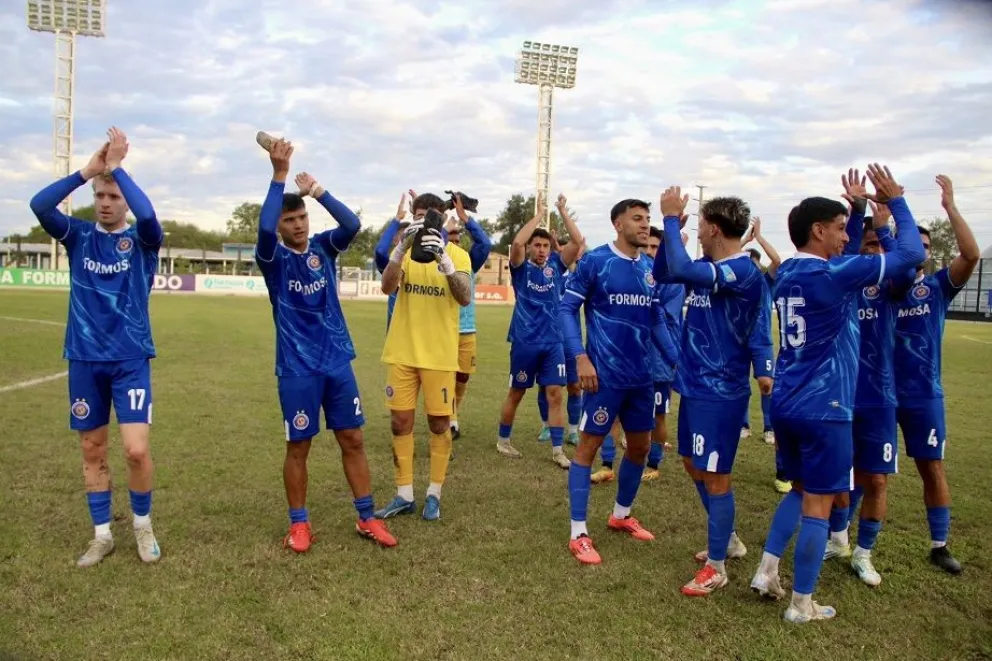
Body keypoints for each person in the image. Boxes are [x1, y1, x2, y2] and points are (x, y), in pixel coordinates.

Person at [749, 164, 924, 624]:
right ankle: (802, 604)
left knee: (802, 489)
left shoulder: (786, 273)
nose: (847, 238)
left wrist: (858, 207)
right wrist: (897, 201)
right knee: (819, 505)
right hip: (825, 410)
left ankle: (767, 571)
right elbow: (908, 256)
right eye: (842, 230)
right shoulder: (836, 274)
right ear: (818, 230)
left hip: (786, 404)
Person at [29, 127, 163, 567]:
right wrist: (88, 171)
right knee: (92, 450)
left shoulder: (142, 242)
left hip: (129, 359)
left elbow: (150, 218)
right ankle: (102, 534)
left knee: (136, 449)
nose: (106, 202)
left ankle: (142, 526)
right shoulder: (78, 236)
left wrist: (119, 169)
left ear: (123, 199)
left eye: (113, 196)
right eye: (101, 196)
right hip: (84, 358)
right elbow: (39, 205)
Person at [255, 138, 396, 552]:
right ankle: (299, 524)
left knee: (352, 439)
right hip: (297, 368)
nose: (298, 225)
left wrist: (318, 192)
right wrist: (279, 177)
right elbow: (263, 229)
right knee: (298, 444)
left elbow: (351, 225)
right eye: (290, 221)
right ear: (281, 228)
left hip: (337, 362)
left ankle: (367, 517)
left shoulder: (322, 249)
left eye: (301, 218)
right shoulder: (273, 260)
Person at [652, 188, 767, 597]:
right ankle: (730, 539)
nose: (697, 231)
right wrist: (673, 235)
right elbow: (667, 272)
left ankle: (718, 566)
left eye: (700, 225)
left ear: (714, 228)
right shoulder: (705, 264)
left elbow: (682, 271)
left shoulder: (742, 271)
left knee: (716, 476)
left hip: (722, 392)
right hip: (696, 386)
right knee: (692, 464)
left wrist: (667, 220)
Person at [560, 199, 660, 565]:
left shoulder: (650, 268)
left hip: (642, 377)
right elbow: (566, 309)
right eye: (637, 218)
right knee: (587, 449)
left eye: (647, 219)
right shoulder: (596, 261)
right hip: (603, 376)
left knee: (639, 449)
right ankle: (578, 533)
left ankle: (620, 515)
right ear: (618, 224)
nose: (645, 225)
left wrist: (677, 361)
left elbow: (657, 319)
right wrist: (580, 357)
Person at [892, 175, 979, 574]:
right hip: (878, 390)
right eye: (916, 246)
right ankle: (843, 537)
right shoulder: (880, 285)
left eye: (926, 248)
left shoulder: (938, 288)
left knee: (932, 466)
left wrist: (950, 208)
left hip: (923, 393)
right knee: (864, 466)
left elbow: (972, 254)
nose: (921, 253)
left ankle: (939, 544)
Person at [375, 192, 473, 521]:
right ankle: (404, 494)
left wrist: (444, 261)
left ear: (443, 219)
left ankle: (434, 492)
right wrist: (401, 248)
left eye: (430, 216)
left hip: (439, 356)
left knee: (438, 423)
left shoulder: (458, 255)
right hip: (402, 351)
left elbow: (464, 297)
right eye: (419, 216)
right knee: (400, 422)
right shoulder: (403, 252)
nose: (424, 222)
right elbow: (387, 288)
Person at [592, 226, 684, 484]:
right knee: (613, 414)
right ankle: (607, 464)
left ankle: (654, 464)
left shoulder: (672, 281)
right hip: (626, 359)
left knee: (658, 415)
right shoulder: (635, 273)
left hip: (657, 363)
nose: (652, 252)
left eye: (657, 247)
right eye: (649, 247)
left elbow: (661, 318)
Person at [496, 195, 583, 466]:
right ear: (531, 247)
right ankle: (503, 440)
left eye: (546, 245)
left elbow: (578, 242)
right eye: (538, 245)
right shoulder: (520, 269)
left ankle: (558, 451)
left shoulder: (556, 266)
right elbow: (518, 242)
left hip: (553, 342)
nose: (542, 249)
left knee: (555, 393)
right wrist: (539, 215)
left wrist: (562, 211)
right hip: (525, 342)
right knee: (517, 393)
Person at [537, 200, 587, 446]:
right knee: (547, 386)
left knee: (575, 386)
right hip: (546, 338)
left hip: (570, 340)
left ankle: (574, 429)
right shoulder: (548, 272)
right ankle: (546, 425)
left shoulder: (579, 276)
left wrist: (564, 212)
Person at [444, 203, 493, 441]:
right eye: (449, 236)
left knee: (462, 376)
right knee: (443, 375)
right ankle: (450, 419)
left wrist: (464, 218)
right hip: (441, 329)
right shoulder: (433, 258)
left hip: (466, 329)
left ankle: (453, 413)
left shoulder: (467, 260)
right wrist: (444, 227)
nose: (453, 240)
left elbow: (485, 243)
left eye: (456, 236)